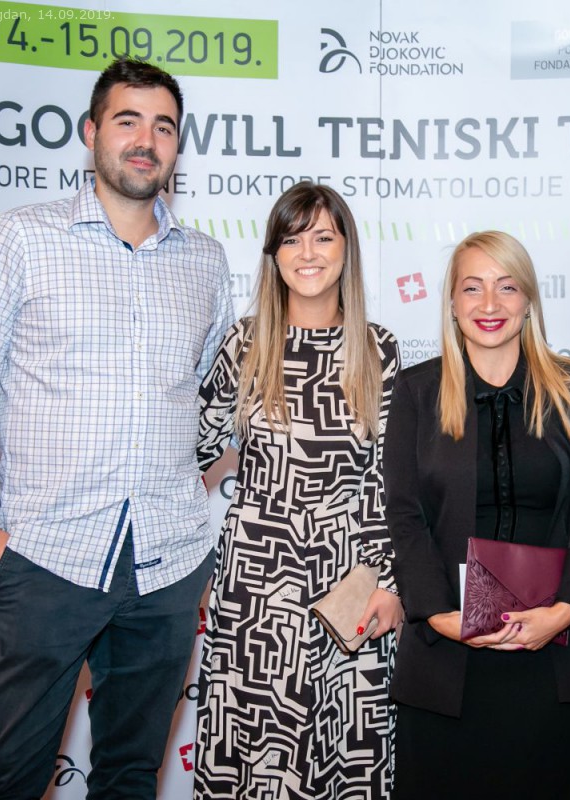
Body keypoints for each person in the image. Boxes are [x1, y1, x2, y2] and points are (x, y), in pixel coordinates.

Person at [0, 58, 233, 798]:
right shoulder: (21, 238)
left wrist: (187, 497)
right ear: (91, 131)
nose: (146, 140)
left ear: (177, 145)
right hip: (45, 558)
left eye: (163, 126)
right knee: (9, 776)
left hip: (167, 564)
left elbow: (205, 398)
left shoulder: (205, 261)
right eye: (128, 121)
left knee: (130, 776)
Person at [385, 231, 570, 799]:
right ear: (452, 302)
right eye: (472, 287)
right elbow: (405, 513)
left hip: (558, 654)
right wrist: (438, 616)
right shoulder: (417, 391)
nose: (489, 304)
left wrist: (564, 611)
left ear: (529, 300)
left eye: (507, 287)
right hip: (449, 658)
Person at [195, 181, 402, 799]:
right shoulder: (244, 344)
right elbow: (189, 454)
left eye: (322, 237)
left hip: (352, 580)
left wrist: (391, 583)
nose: (307, 253)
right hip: (257, 586)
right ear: (273, 254)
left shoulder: (378, 348)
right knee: (253, 755)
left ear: (346, 249)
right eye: (291, 239)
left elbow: (392, 481)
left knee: (348, 755)